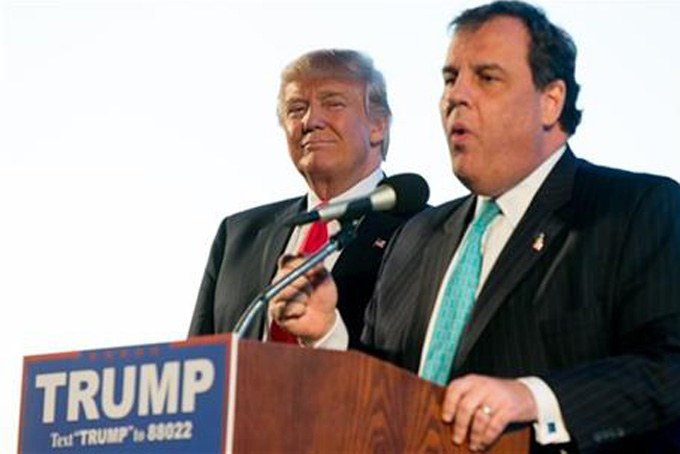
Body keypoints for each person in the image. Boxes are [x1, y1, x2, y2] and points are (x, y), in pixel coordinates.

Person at [268, 2, 680, 453]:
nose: (456, 97)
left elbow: (668, 367)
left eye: (486, 77)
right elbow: (380, 394)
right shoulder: (414, 238)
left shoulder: (635, 208)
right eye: (450, 79)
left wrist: (533, 397)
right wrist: (326, 331)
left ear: (551, 100)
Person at [188, 49, 419, 348]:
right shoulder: (238, 235)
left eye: (333, 103)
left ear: (378, 125)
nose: (310, 120)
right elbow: (197, 367)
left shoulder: (424, 234)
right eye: (296, 109)